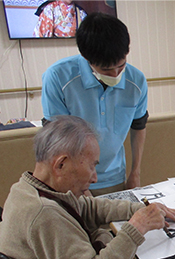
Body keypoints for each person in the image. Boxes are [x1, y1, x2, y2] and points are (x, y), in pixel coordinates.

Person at [0, 115, 175, 259]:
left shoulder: (28, 189)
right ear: (61, 164)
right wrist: (132, 229)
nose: (95, 178)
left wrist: (138, 210)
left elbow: (87, 207)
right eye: (91, 166)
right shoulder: (43, 215)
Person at [41, 12, 147, 196]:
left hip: (113, 176)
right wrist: (78, 183)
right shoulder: (58, 77)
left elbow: (138, 126)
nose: (115, 75)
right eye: (106, 69)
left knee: (114, 224)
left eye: (121, 66)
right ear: (87, 58)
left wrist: (135, 173)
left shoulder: (136, 81)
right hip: (71, 179)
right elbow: (57, 139)